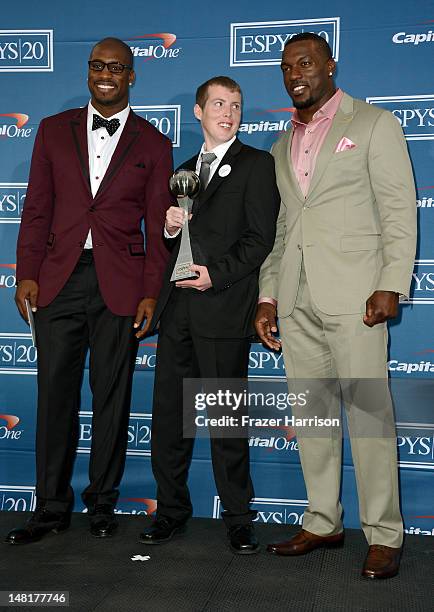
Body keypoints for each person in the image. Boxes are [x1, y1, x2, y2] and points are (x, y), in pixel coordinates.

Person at [255, 33, 416, 578]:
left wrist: (392, 281)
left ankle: (385, 533)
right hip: (298, 301)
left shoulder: (373, 124)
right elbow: (284, 228)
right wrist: (269, 294)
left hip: (358, 300)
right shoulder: (282, 144)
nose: (295, 73)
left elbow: (398, 209)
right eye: (286, 67)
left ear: (330, 65)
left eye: (305, 63)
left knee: (370, 419)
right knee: (313, 417)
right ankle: (322, 519)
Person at [5, 37, 172, 544]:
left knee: (112, 400)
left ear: (132, 76)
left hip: (120, 285)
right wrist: (27, 272)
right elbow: (35, 208)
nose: (106, 74)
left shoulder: (154, 144)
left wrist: (151, 293)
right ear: (88, 72)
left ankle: (102, 503)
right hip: (58, 280)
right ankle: (50, 507)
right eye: (98, 66)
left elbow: (157, 229)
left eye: (116, 68)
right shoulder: (53, 132)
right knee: (54, 396)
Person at [139, 76, 280, 554]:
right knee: (168, 420)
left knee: (225, 423)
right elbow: (171, 245)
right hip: (178, 310)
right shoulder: (183, 171)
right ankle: (170, 512)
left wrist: (214, 275)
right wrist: (167, 226)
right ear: (197, 112)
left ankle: (239, 519)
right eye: (218, 104)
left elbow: (261, 239)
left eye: (236, 105)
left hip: (222, 310)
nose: (229, 112)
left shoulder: (257, 165)